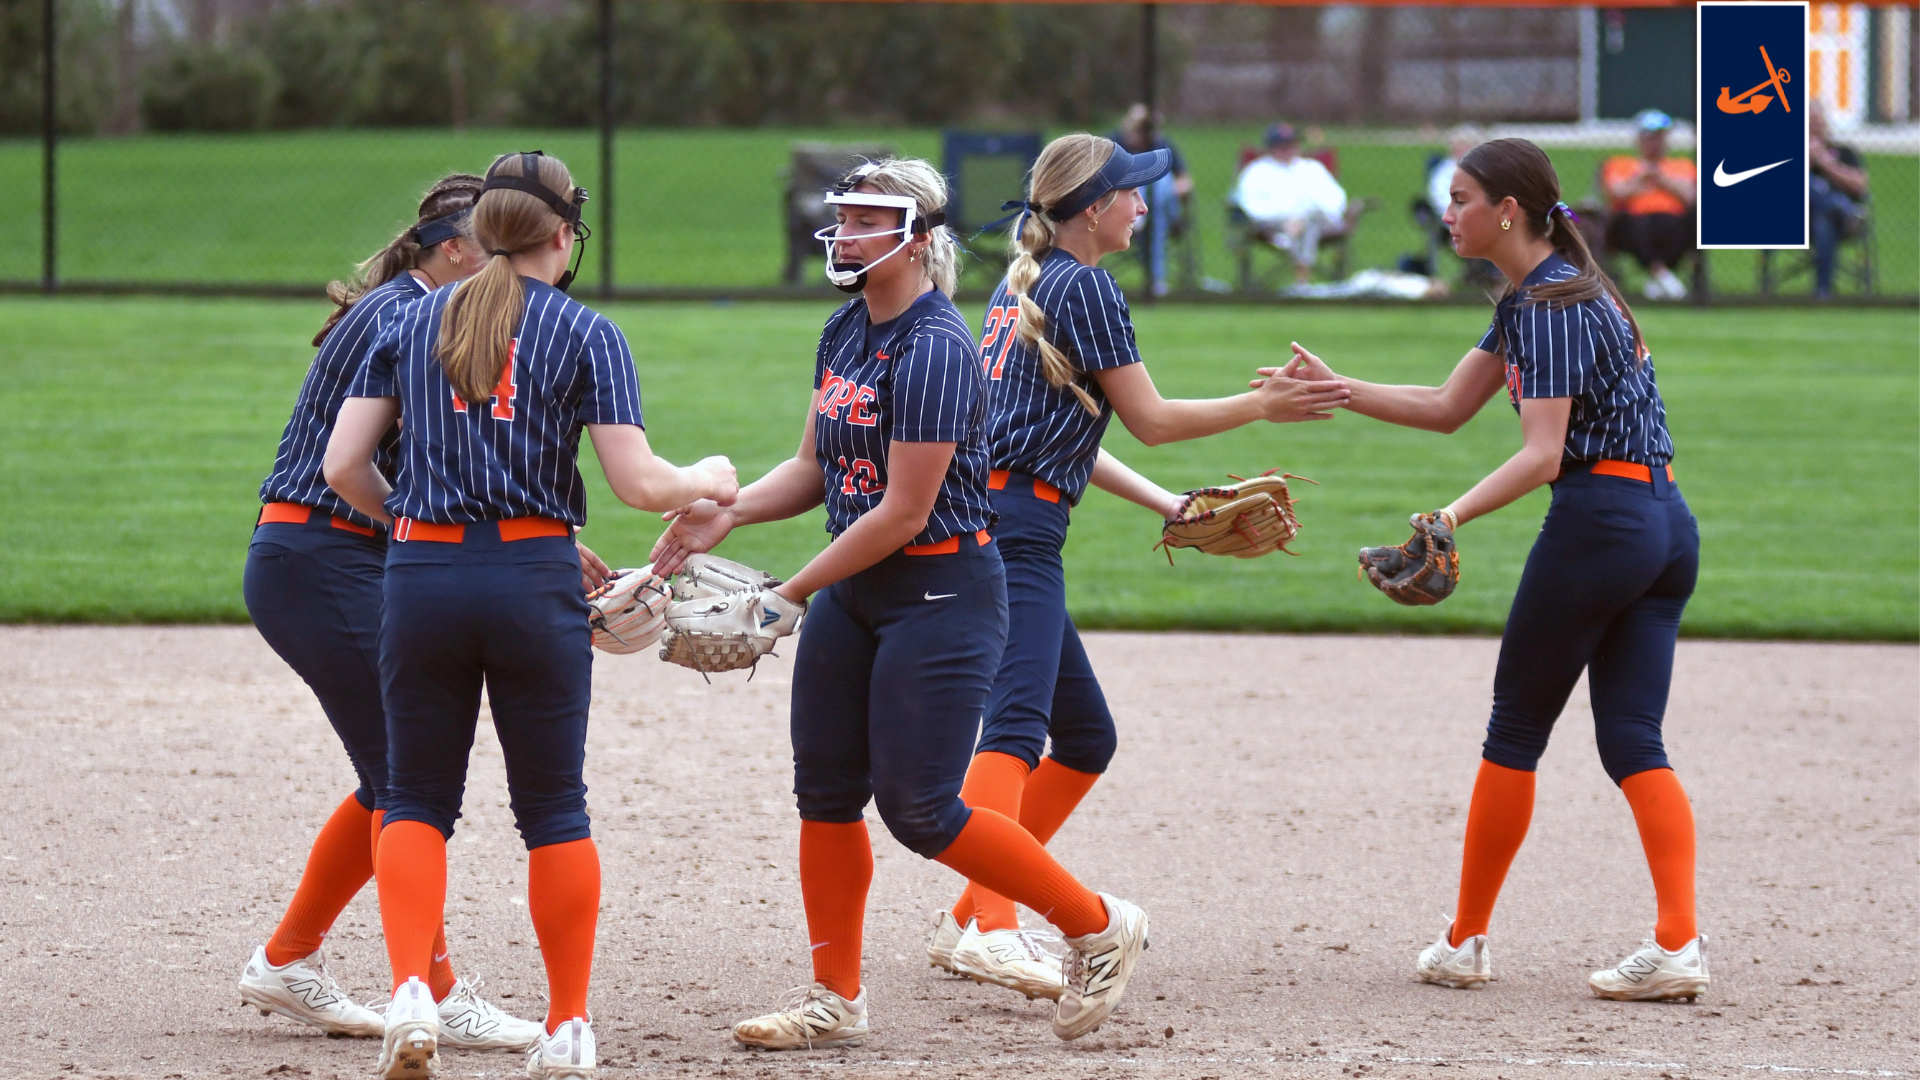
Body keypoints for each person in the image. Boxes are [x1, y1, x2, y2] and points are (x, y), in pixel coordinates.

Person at [648, 157, 1151, 1050]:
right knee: (827, 794)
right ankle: (835, 998)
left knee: (921, 810)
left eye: (865, 220)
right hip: (860, 587)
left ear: (917, 240)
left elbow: (904, 510)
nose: (844, 234)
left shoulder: (936, 347)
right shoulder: (846, 330)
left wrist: (790, 592)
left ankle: (1098, 926)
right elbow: (814, 470)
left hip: (942, 591)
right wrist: (720, 515)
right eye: (841, 218)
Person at [325, 150, 738, 1080]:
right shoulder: (586, 332)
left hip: (421, 578)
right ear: (562, 236)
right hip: (532, 577)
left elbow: (344, 468)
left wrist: (418, 522)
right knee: (552, 808)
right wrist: (709, 477)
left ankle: (408, 998)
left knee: (417, 801)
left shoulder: (410, 316)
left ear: (480, 232)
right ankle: (566, 1027)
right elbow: (639, 485)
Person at [1280, 138, 1708, 1002]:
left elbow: (1544, 455)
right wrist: (1341, 389)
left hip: (1601, 524)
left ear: (1507, 209)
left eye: (1462, 197)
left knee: (1513, 733)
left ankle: (1466, 938)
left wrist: (1450, 516)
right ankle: (1677, 943)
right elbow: (1446, 409)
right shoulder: (1549, 294)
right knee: (1633, 740)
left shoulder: (1547, 307)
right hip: (1664, 528)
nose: (1449, 213)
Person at [928, 133, 1348, 1001]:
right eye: (1132, 192)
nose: (1145, 205)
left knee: (1086, 738)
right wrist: (1264, 406)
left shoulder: (1032, 284)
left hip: (1005, 515)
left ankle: (977, 907)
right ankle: (996, 930)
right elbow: (1149, 418)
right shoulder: (1089, 289)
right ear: (1093, 209)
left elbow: (1058, 438)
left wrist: (1166, 504)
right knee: (1015, 729)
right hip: (1015, 533)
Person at [238, 173, 550, 1055]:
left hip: (325, 555)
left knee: (392, 776)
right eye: (495, 249)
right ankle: (436, 990)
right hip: (322, 557)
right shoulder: (407, 318)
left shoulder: (410, 309)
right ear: (456, 248)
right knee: (409, 776)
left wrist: (536, 543)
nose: (509, 274)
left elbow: (443, 471)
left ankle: (288, 960)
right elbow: (370, 478)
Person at [1230, 121, 1349, 285]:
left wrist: (1301, 218)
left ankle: (1290, 249)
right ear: (1271, 147)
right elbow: (1251, 205)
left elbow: (1335, 199)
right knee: (1306, 227)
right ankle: (1302, 281)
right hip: (1273, 224)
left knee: (1309, 222)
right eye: (1282, 146)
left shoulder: (1312, 168)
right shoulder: (1256, 172)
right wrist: (1287, 218)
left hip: (1317, 220)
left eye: (1292, 144)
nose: (1288, 150)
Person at [1601, 109, 1697, 300]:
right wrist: (1641, 178)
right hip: (1636, 224)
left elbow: (1690, 197)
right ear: (1639, 139)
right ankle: (1662, 276)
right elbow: (1616, 193)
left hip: (1673, 224)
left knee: (1696, 220)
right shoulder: (1621, 164)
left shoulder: (1682, 165)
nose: (1655, 143)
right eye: (1650, 137)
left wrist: (1661, 179)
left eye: (1660, 137)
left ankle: (1659, 278)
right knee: (1625, 223)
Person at [1109, 104, 1194, 297]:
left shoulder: (1161, 144)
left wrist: (1174, 188)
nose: (1142, 134)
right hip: (1123, 209)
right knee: (1143, 185)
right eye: (1138, 128)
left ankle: (1140, 214)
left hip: (1165, 208)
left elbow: (1185, 181)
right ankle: (1157, 279)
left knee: (1162, 182)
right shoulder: (1114, 144)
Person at [1807, 100, 1870, 299]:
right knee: (1808, 186)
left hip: (1839, 223)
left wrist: (1827, 164)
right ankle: (1837, 206)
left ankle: (1823, 291)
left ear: (1826, 124)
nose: (1814, 127)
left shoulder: (1843, 152)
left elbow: (1860, 184)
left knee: (1824, 221)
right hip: (1799, 221)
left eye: (1817, 121)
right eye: (1809, 122)